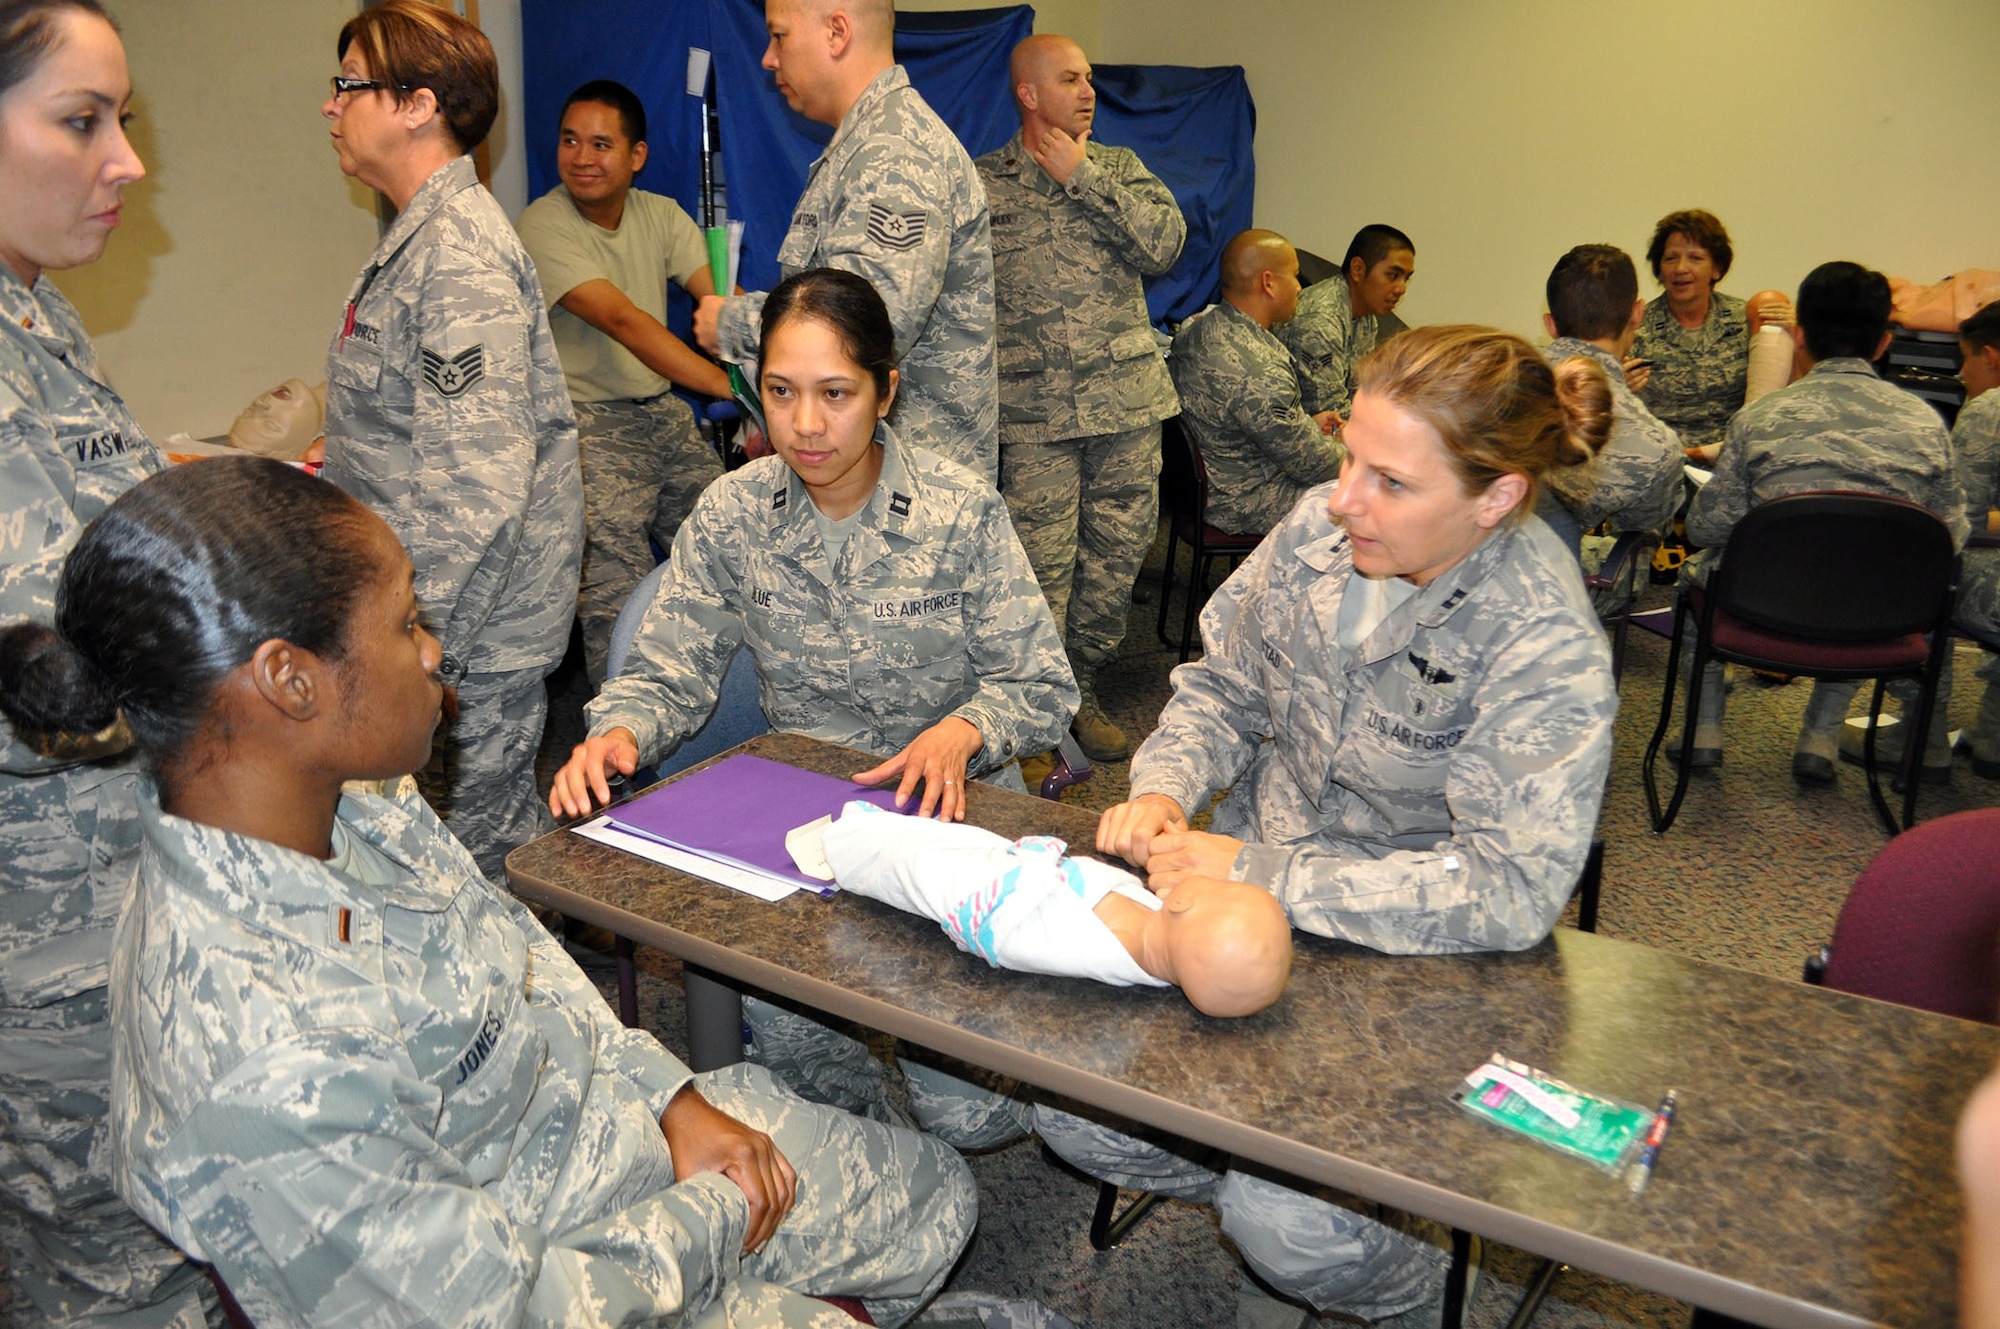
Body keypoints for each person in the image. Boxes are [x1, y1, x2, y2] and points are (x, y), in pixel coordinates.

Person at [0, 456, 975, 1328]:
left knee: (940, 1194)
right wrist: (713, 1211)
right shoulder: (255, 1059)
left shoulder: (355, 799)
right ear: (290, 682)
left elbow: (520, 961)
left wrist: (669, 1095)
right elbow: (507, 1306)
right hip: (561, 1266)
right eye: (404, 623)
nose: (433, 653)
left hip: (598, 1141)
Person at [1081, 324, 1617, 1325]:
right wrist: (1161, 785)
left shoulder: (1541, 636)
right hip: (1239, 901)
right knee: (1078, 1116)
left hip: (1414, 958)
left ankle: (1432, 1290)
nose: (1342, 500)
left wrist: (1264, 872)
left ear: (1494, 497)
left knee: (1288, 1227)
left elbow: (1505, 893)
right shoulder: (1314, 533)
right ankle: (1268, 1179)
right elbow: (1221, 691)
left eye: (1390, 483)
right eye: (1345, 460)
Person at [554, 267, 1075, 1132]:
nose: (803, 425)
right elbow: (668, 665)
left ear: (886, 391)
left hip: (954, 817)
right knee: (810, 1076)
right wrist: (619, 731)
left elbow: (1042, 685)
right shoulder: (735, 513)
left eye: (836, 393)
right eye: (780, 392)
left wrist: (964, 730)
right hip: (807, 832)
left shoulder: (959, 513)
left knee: (973, 1119)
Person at [0, 3, 215, 1322]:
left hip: (113, 892)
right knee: (108, 1270)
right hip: (42, 935)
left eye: (120, 118)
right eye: (83, 121)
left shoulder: (35, 318)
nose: (127, 159)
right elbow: (51, 668)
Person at [319, 0, 582, 881]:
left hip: (465, 633)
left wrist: (410, 650)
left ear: (417, 104)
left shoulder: (458, 252)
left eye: (349, 84)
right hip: (424, 620)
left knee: (468, 878)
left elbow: (475, 491)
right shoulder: (415, 236)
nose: (331, 105)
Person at [976, 33, 1183, 763]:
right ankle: (1035, 704)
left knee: (1114, 563)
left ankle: (1080, 689)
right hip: (1035, 421)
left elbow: (1166, 246)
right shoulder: (983, 183)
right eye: (1071, 80)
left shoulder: (1121, 170)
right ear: (1029, 94)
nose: (1089, 92)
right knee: (1040, 567)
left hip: (1126, 409)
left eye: (1090, 78)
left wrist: (1084, 178)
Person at [1681, 260, 1966, 782]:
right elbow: (1950, 536)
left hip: (1764, 605)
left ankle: (1704, 731)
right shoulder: (1928, 427)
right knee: (1862, 566)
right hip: (1880, 615)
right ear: (1884, 342)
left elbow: (1705, 529)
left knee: (1696, 572)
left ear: (1799, 336)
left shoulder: (1760, 419)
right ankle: (1820, 739)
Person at [693, 0, 998, 482]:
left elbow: (861, 326)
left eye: (780, 36)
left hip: (910, 495)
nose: (768, 58)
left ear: (837, 32)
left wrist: (732, 325)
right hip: (871, 479)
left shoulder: (893, 153)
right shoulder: (866, 145)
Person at [517, 79, 734, 687]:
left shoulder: (660, 214)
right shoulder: (542, 224)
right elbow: (625, 323)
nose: (582, 157)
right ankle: (621, 758)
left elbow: (719, 298)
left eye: (601, 144)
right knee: (617, 589)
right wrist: (730, 388)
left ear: (636, 155)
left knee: (732, 538)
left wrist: (771, 343)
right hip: (586, 426)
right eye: (570, 141)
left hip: (661, 415)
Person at [818, 799, 1291, 1017]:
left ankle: (851, 841)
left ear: (1185, 899)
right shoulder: (1154, 932)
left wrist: (1030, 870)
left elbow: (998, 925)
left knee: (911, 860)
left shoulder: (1087, 944)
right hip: (1021, 871)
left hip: (994, 897)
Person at [1169, 229, 1340, 536]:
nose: (1300, 288)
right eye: (1295, 276)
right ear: (1269, 283)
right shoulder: (1259, 368)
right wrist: (1360, 452)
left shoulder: (1199, 327)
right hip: (1243, 499)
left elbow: (1248, 421)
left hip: (1207, 482)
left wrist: (1306, 425)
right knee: (1364, 503)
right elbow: (1315, 466)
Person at [1536, 244, 1683, 556]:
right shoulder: (1655, 444)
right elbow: (1644, 524)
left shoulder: (1489, 380)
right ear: (1637, 313)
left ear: (1550, 325)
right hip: (1546, 582)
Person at [1629, 208, 1793, 449]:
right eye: (1671, 258)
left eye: (1695, 258)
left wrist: (1797, 334)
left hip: (1734, 456)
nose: (1680, 268)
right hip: (1663, 459)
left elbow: (1784, 395)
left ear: (1716, 269)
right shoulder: (1634, 327)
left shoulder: (1747, 318)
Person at [1276, 223, 1415, 419]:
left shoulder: (1365, 315)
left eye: (1406, 278)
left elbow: (1360, 391)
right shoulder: (1320, 321)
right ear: (1358, 269)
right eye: (1392, 275)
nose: (1401, 288)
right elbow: (1330, 414)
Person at [1947, 303, 2000, 779]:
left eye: (1965, 359)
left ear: (1991, 356)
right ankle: (1993, 734)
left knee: (1920, 569)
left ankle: (1917, 740)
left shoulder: (1989, 409)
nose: (1962, 373)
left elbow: (1964, 517)